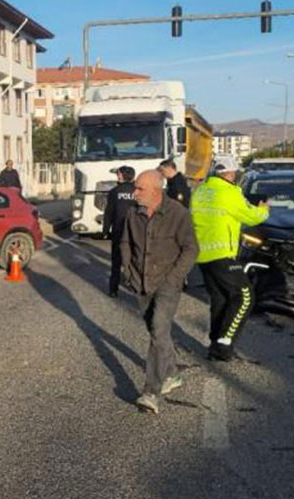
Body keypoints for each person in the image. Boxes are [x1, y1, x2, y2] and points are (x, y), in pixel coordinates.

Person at [119, 170, 198, 414]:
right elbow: (124, 243)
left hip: (167, 284)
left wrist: (174, 278)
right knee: (157, 331)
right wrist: (128, 272)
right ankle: (172, 373)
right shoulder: (134, 213)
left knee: (158, 329)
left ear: (156, 190)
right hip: (141, 283)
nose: (135, 193)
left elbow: (191, 249)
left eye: (140, 188)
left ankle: (151, 392)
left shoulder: (178, 213)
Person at [191, 156, 269, 361]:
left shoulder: (200, 191)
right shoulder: (230, 192)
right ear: (231, 174)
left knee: (220, 299)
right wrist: (264, 210)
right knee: (245, 297)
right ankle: (224, 346)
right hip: (222, 254)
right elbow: (251, 217)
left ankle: (215, 343)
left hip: (203, 255)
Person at [103, 166, 137, 297]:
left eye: (118, 174)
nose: (117, 176)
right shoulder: (138, 191)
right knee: (135, 259)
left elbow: (109, 213)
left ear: (122, 176)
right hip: (135, 231)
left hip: (118, 230)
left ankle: (113, 290)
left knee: (116, 262)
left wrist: (106, 230)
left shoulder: (114, 192)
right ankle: (134, 285)